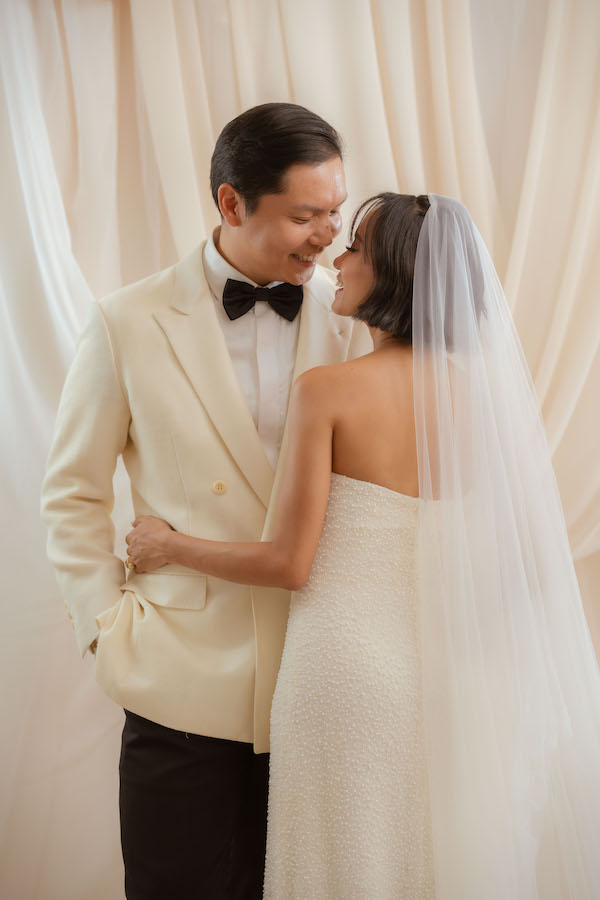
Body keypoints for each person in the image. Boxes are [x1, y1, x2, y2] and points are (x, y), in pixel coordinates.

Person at [127, 193, 600, 899]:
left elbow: (288, 563)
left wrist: (169, 545)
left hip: (342, 674)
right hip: (446, 677)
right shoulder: (487, 401)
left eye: (355, 248)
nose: (337, 260)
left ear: (396, 274)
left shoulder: (328, 391)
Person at [40, 102, 372, 899]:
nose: (328, 235)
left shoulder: (353, 317)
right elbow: (73, 492)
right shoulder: (126, 321)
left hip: (319, 679)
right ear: (231, 203)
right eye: (304, 216)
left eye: (335, 211)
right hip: (177, 679)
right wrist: (104, 628)